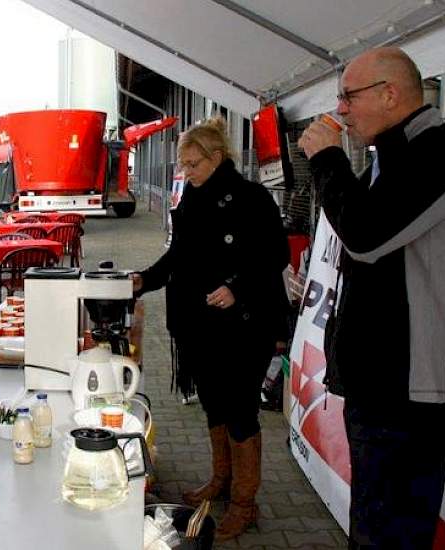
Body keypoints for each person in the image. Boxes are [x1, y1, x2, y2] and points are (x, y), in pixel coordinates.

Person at [298, 47, 445, 548]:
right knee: (373, 529)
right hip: (378, 385)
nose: (341, 109)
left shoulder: (444, 155)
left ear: (390, 93)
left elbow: (366, 234)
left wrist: (327, 160)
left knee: (392, 534)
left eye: (349, 96)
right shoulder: (391, 158)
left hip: (412, 392)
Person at [132, 117, 290, 541]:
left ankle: (245, 502)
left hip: (242, 327)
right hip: (200, 327)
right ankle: (221, 480)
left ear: (216, 157)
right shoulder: (191, 201)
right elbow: (177, 257)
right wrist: (144, 280)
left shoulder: (251, 198)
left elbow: (274, 254)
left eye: (192, 163)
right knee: (216, 405)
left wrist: (237, 288)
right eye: (182, 164)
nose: (185, 172)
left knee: (240, 411)